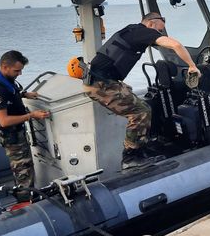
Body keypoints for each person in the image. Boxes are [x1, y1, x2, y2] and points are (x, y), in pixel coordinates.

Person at [84, 12, 200, 170]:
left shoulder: (132, 30)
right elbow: (176, 45)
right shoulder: (144, 32)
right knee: (141, 111)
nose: (159, 33)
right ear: (152, 23)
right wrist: (192, 66)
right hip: (100, 84)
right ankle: (130, 158)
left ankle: (140, 150)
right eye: (159, 30)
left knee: (138, 103)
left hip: (100, 80)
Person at [0, 50, 50, 202]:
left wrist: (24, 94)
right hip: (12, 137)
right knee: (23, 172)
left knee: (23, 169)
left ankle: (25, 197)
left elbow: (11, 93)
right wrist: (31, 115)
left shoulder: (3, 80)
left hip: (17, 134)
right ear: (5, 67)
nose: (19, 74)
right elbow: (4, 121)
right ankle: (25, 203)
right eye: (17, 70)